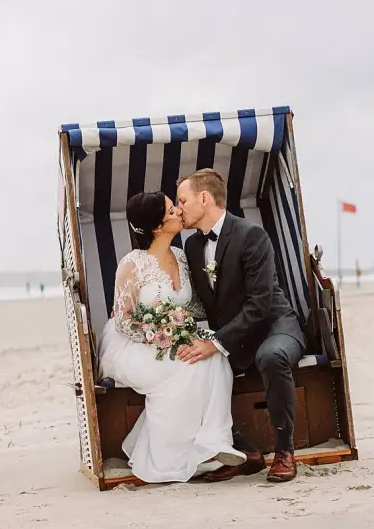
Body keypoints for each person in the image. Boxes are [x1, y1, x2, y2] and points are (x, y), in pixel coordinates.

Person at [96, 191, 246, 483]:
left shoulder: (180, 255)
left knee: (214, 351)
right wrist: (162, 335)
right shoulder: (133, 263)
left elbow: (192, 305)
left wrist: (202, 322)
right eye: (170, 210)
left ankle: (214, 444)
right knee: (189, 362)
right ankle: (171, 458)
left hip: (173, 335)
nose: (179, 210)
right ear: (156, 227)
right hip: (134, 346)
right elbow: (124, 320)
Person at [175, 170, 307, 483]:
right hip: (235, 338)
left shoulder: (252, 236)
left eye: (183, 200)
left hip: (275, 326)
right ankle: (245, 453)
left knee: (270, 356)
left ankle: (284, 452)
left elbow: (260, 305)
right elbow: (204, 303)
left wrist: (216, 342)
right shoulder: (193, 247)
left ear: (204, 198)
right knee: (189, 367)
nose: (179, 208)